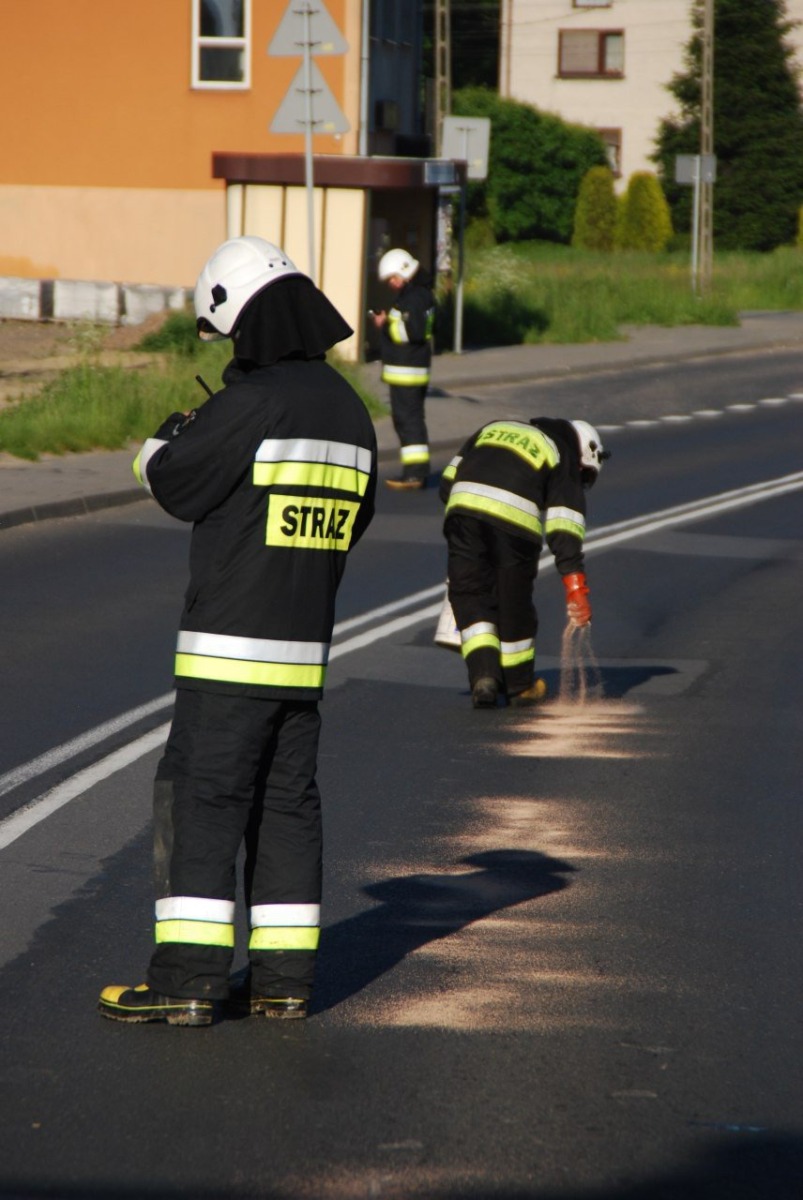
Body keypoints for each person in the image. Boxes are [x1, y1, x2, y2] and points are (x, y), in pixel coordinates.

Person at [98, 236, 377, 1026]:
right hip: (303, 654)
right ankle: (283, 983)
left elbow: (177, 484)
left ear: (241, 321)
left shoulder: (251, 404)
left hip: (229, 651)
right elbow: (350, 524)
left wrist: (165, 437)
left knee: (203, 800)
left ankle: (186, 985)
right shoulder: (350, 414)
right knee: (287, 805)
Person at [439, 417, 609, 709]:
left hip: (462, 511)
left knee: (470, 594)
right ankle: (520, 686)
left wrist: (475, 509)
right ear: (585, 453)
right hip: (513, 523)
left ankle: (484, 677)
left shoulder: (493, 426)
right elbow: (563, 526)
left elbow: (447, 482)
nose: (580, 483)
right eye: (584, 477)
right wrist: (575, 583)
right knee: (512, 601)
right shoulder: (562, 453)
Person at [371, 247, 435, 490]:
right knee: (410, 419)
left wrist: (385, 325)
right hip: (412, 369)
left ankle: (415, 474)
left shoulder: (414, 298)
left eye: (393, 278)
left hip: (407, 370)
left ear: (404, 272)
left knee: (408, 421)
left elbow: (412, 332)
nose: (391, 284)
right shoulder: (419, 295)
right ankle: (415, 472)